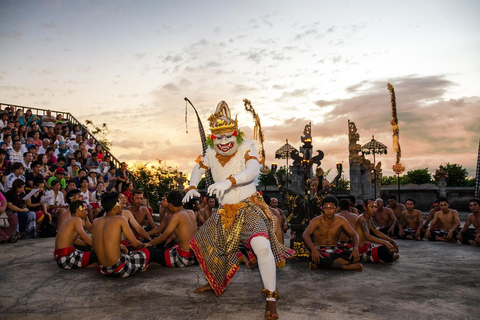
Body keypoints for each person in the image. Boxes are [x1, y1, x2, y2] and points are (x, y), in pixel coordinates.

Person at [182, 101, 294, 320]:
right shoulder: (211, 152)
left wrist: (229, 182)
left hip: (249, 207)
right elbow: (199, 167)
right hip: (225, 211)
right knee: (208, 245)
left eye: (228, 137)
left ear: (236, 134)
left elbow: (253, 170)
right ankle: (213, 281)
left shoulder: (246, 146)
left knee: (262, 248)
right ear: (213, 138)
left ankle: (270, 298)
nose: (223, 142)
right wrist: (193, 186)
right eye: (219, 138)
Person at [92, 192, 153, 277]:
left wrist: (118, 246)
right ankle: (141, 266)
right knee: (148, 251)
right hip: (120, 269)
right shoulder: (120, 219)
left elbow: (94, 246)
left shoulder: (96, 221)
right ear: (116, 206)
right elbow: (135, 244)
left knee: (128, 253)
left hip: (104, 269)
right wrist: (145, 245)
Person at [302, 195, 362, 271]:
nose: (329, 211)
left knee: (354, 256)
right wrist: (313, 250)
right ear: (322, 208)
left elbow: (354, 234)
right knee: (320, 258)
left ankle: (321, 265)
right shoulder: (316, 220)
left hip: (335, 250)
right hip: (319, 250)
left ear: (336, 208)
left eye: (331, 208)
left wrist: (356, 249)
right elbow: (305, 235)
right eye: (326, 208)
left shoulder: (341, 220)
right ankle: (345, 267)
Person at [148, 191, 198, 267]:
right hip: (194, 256)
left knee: (151, 252)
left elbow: (163, 236)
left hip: (183, 258)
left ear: (170, 204)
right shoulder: (191, 212)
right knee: (169, 244)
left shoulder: (178, 215)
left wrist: (149, 244)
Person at [54, 200, 98, 269]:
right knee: (99, 254)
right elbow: (84, 237)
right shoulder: (77, 219)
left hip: (61, 258)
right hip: (66, 259)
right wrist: (98, 246)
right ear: (78, 210)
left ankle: (87, 263)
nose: (87, 213)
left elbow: (75, 239)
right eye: (85, 210)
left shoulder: (69, 219)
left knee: (91, 250)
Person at [354, 199, 398, 263]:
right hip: (361, 249)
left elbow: (376, 232)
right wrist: (386, 243)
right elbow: (368, 237)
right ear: (365, 207)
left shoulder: (370, 218)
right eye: (371, 207)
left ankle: (383, 258)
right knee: (385, 249)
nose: (374, 209)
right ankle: (383, 258)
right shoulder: (362, 219)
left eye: (375, 207)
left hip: (368, 246)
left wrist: (391, 241)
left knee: (389, 246)